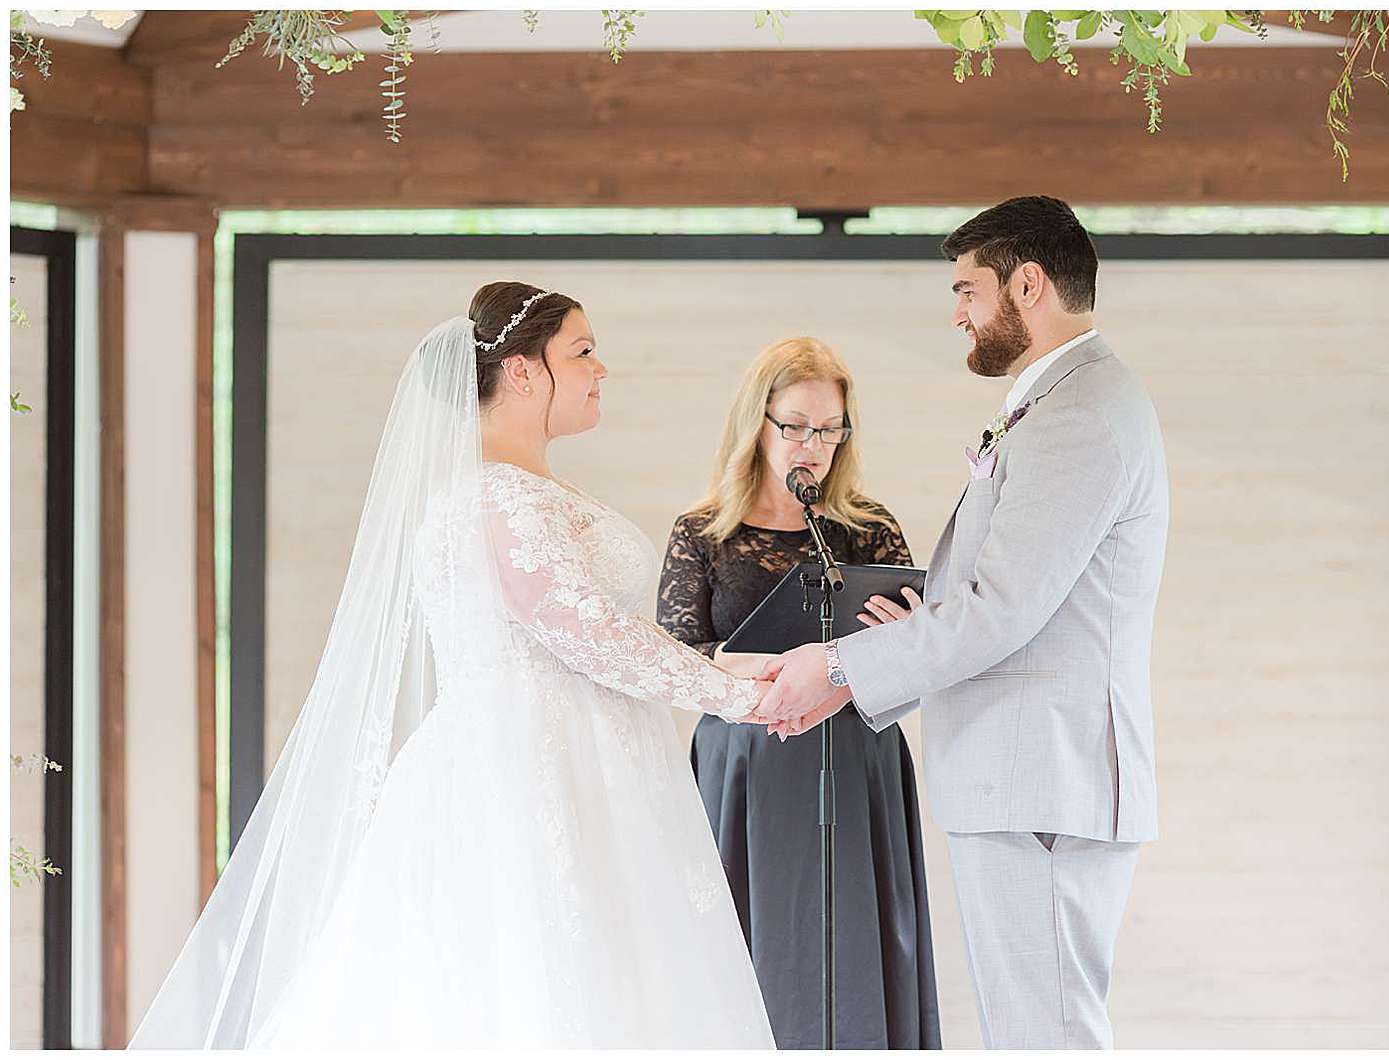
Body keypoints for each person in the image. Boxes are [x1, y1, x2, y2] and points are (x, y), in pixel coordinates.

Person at [130, 282, 777, 1048]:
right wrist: (740, 696)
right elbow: (587, 630)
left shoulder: (532, 489)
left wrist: (755, 669)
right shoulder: (495, 499)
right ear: (523, 372)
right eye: (582, 351)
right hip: (524, 775)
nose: (602, 369)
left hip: (593, 769)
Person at [759, 197, 1170, 1050]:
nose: (956, 313)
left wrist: (837, 666)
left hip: (1041, 782)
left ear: (1027, 285)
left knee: (1043, 1035)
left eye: (967, 290)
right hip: (1027, 778)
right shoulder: (1064, 402)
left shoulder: (1080, 415)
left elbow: (999, 611)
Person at [657, 337, 942, 1049]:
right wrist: (769, 677)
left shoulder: (866, 528)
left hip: (854, 759)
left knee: (853, 937)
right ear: (757, 422)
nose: (811, 445)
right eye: (795, 425)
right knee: (750, 946)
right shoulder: (702, 532)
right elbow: (675, 656)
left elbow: (921, 652)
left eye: (828, 428)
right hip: (745, 766)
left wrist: (904, 639)